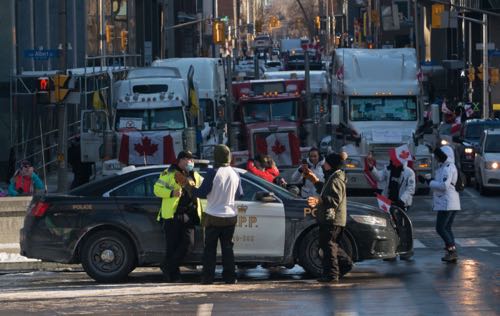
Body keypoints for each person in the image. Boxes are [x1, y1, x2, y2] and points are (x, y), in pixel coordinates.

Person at [180, 144, 242, 284]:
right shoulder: (235, 173)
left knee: (210, 250)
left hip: (213, 216)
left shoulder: (213, 172)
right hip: (231, 216)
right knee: (228, 249)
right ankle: (230, 277)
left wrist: (189, 185)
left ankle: (208, 278)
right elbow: (239, 194)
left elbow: (201, 193)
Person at [154, 150, 202, 282]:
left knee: (189, 245)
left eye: (192, 160)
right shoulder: (168, 173)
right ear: (180, 160)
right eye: (188, 159)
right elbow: (157, 190)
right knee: (172, 246)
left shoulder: (195, 175)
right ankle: (173, 275)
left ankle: (167, 266)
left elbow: (204, 188)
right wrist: (171, 193)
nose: (191, 162)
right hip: (173, 215)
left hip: (189, 214)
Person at [305, 152, 352, 282]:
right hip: (330, 218)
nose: (324, 164)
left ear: (331, 164)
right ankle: (346, 264)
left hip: (332, 218)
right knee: (330, 245)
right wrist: (314, 180)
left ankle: (332, 275)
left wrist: (318, 200)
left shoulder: (336, 179)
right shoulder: (332, 177)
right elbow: (326, 190)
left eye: (326, 162)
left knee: (329, 246)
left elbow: (334, 199)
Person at [418, 146, 461, 263]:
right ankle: (451, 251)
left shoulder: (447, 168)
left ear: (444, 156)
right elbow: (441, 183)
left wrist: (429, 181)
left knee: (440, 228)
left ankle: (452, 251)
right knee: (446, 227)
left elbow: (444, 186)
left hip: (447, 202)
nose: (436, 159)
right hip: (451, 202)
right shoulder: (446, 167)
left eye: (438, 156)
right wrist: (428, 180)